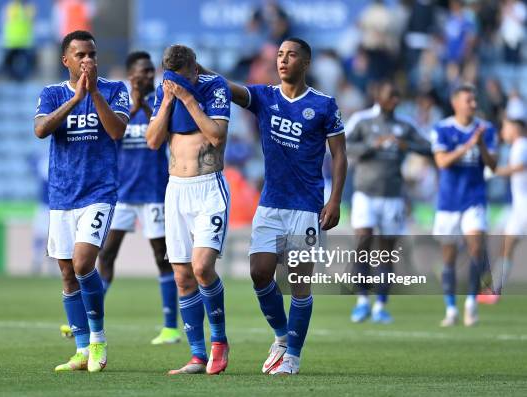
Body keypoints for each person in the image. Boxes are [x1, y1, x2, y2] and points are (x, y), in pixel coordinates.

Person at [201, 37, 348, 375]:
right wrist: (198, 71)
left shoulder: (324, 104)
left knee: (297, 281)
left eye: (291, 55)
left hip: (307, 206)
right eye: (280, 54)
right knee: (259, 273)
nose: (283, 60)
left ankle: (293, 356)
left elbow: (339, 154)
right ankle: (282, 336)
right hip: (270, 205)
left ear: (306, 63)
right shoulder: (266, 97)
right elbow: (229, 88)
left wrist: (335, 199)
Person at [34, 30, 129, 372]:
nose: (88, 60)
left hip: (98, 192)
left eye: (92, 54)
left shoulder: (115, 89)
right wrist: (75, 99)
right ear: (66, 61)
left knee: (83, 261)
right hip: (62, 195)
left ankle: (98, 339)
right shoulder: (50, 94)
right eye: (80, 55)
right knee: (67, 273)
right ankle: (80, 349)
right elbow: (42, 130)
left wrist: (93, 96)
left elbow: (117, 132)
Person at [145, 45, 231, 375]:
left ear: (195, 68)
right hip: (176, 190)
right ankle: (197, 355)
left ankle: (219, 342)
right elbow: (153, 141)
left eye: (182, 77)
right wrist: (168, 99)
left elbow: (216, 136)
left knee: (202, 267)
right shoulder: (163, 93)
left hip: (208, 187)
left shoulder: (214, 87)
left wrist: (187, 98)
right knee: (182, 276)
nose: (177, 82)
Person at [96, 51, 180, 345]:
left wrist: (146, 106)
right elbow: (112, 134)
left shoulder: (163, 100)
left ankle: (170, 327)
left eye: (150, 71)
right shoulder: (117, 103)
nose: (148, 75)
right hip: (121, 193)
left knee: (162, 257)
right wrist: (135, 106)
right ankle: (88, 318)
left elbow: (162, 137)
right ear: (131, 74)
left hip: (154, 191)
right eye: (142, 71)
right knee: (106, 254)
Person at [346, 81, 431, 324]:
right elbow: (344, 146)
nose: (395, 101)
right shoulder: (362, 120)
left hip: (393, 196)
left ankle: (381, 305)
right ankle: (362, 301)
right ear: (378, 96)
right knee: (363, 243)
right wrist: (373, 145)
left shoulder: (405, 124)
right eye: (390, 96)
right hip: (365, 193)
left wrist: (407, 145)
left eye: (397, 96)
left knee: (386, 252)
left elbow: (429, 147)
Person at [431, 83, 497, 327]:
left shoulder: (487, 129)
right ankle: (450, 308)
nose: (473, 104)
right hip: (448, 202)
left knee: (476, 248)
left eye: (474, 100)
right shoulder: (443, 129)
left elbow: (493, 165)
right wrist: (468, 146)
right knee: (448, 258)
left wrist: (480, 145)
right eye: (469, 100)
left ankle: (471, 303)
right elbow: (442, 162)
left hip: (474, 199)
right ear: (455, 103)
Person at [479, 118, 527, 303]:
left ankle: (494, 290)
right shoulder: (518, 146)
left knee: (507, 246)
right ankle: (494, 290)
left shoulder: (521, 145)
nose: (503, 131)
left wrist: (495, 171)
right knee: (506, 246)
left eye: (505, 127)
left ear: (515, 129)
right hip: (519, 207)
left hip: (523, 208)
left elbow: (521, 167)